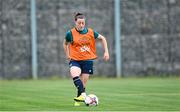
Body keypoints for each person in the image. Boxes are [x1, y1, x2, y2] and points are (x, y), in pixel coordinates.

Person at [63, 12, 109, 106]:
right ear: (75, 22)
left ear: (85, 23)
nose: (81, 25)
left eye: (83, 23)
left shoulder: (91, 32)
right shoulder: (70, 33)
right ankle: (84, 96)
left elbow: (103, 38)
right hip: (75, 59)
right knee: (74, 74)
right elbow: (65, 43)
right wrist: (67, 54)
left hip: (87, 60)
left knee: (83, 85)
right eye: (79, 23)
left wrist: (106, 51)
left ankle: (78, 100)